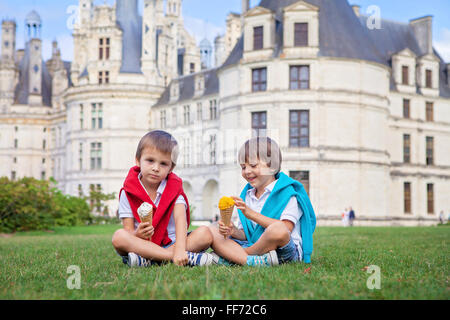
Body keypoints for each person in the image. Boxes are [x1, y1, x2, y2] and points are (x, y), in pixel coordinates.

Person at [112, 130, 215, 267]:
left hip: (172, 242)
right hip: (142, 245)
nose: (156, 168)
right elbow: (128, 230)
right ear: (138, 160)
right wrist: (137, 233)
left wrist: (179, 248)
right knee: (119, 236)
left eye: (163, 164)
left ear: (171, 168)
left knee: (205, 233)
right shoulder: (128, 191)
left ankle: (148, 260)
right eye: (150, 161)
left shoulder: (173, 188)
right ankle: (175, 257)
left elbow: (180, 220)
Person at [208, 137, 316, 266]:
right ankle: (252, 260)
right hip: (256, 245)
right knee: (213, 229)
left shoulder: (288, 194)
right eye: (243, 167)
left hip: (283, 251)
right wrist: (233, 232)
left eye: (253, 165)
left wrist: (251, 214)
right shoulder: (247, 195)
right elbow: (247, 235)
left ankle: (238, 256)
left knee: (277, 229)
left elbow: (285, 229)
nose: (247, 171)